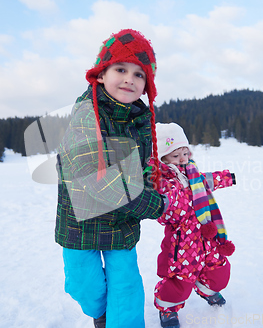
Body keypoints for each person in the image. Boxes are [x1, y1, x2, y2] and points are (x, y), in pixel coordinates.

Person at [55, 29, 166, 328]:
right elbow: (98, 179)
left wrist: (161, 180)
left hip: (121, 225)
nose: (130, 78)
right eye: (121, 69)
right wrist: (156, 205)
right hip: (82, 223)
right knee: (84, 285)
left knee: (126, 287)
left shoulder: (141, 121)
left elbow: (146, 167)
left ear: (146, 86)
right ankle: (101, 312)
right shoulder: (85, 115)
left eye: (139, 74)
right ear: (101, 75)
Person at [150, 123, 236, 328]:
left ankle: (208, 288)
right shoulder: (162, 182)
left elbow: (206, 181)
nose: (182, 159)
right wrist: (171, 200)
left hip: (207, 236)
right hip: (183, 243)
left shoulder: (192, 172)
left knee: (218, 270)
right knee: (180, 280)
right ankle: (168, 309)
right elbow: (164, 211)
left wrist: (227, 178)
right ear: (163, 158)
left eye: (185, 153)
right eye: (175, 155)